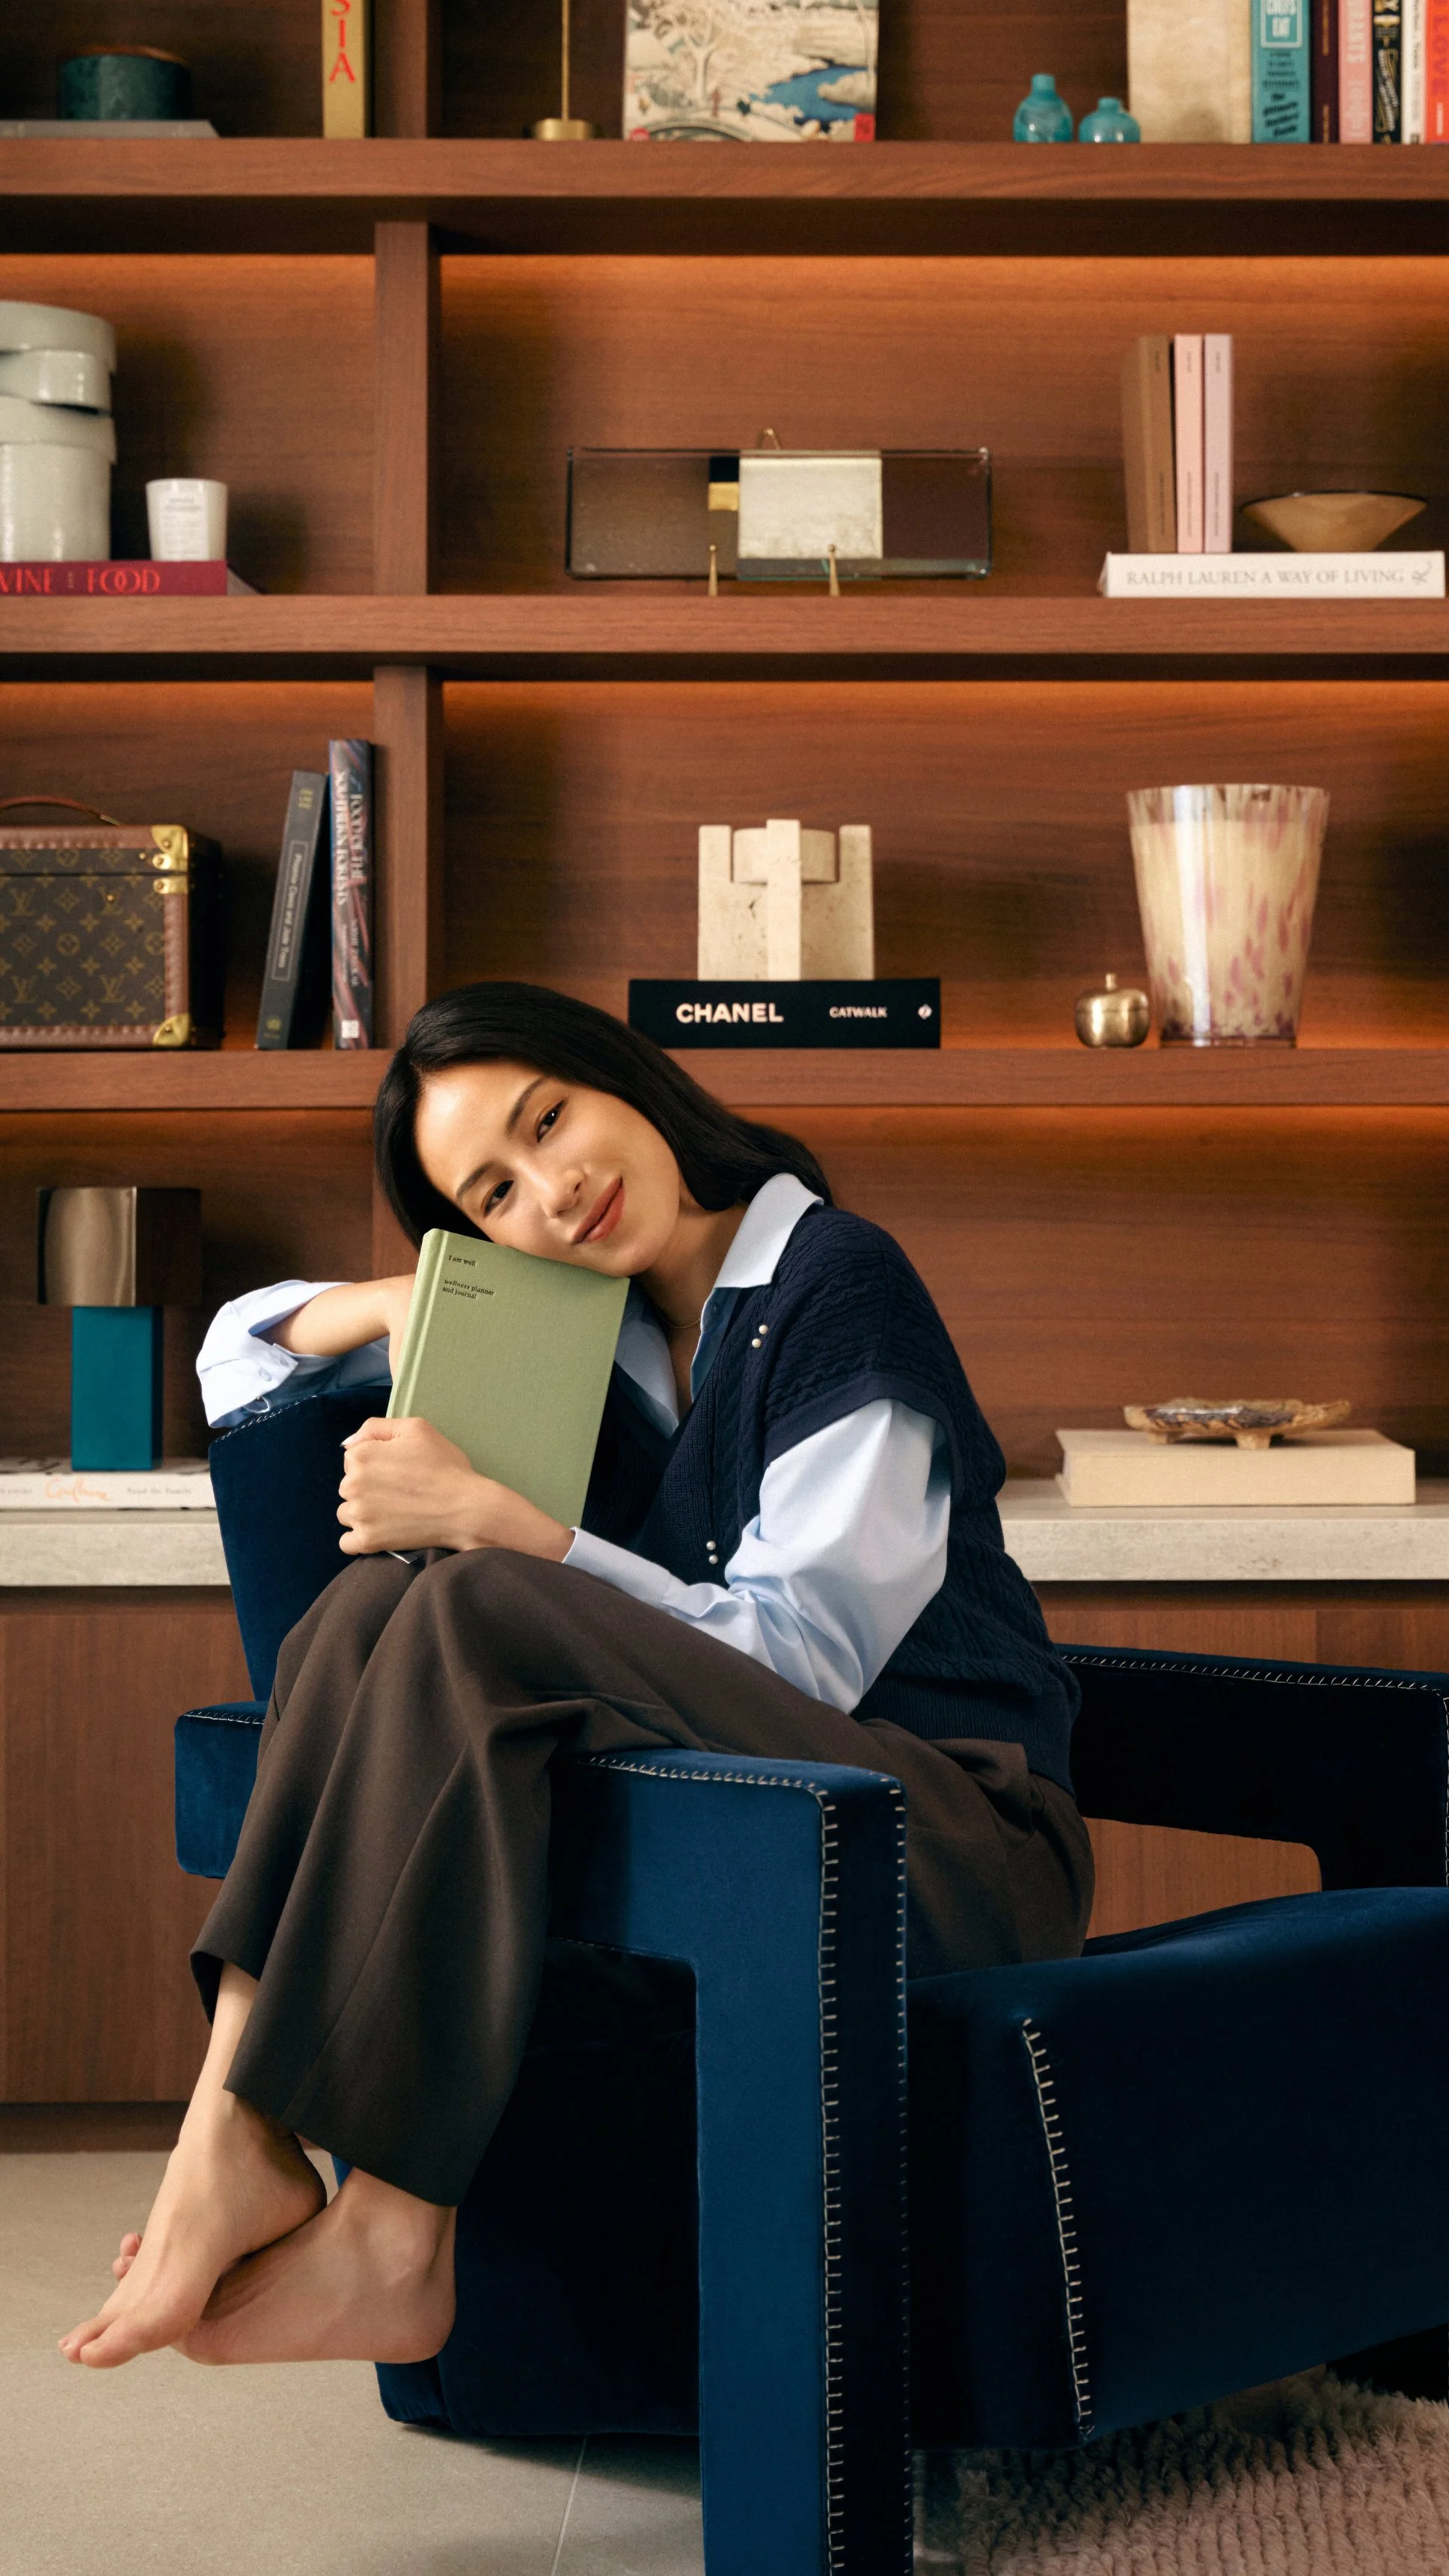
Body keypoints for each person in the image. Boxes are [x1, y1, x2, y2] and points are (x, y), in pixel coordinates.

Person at [61, 981, 1090, 2373]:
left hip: (946, 1846)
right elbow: (237, 1353)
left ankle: (320, 2188)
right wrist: (410, 1298)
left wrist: (510, 1527)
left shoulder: (841, 1282)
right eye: (493, 1195)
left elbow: (805, 1660)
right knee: (378, 1606)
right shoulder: (580, 1343)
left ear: (624, 1078)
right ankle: (270, 2152)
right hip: (730, 1846)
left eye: (550, 1120)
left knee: (471, 1587)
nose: (555, 1192)